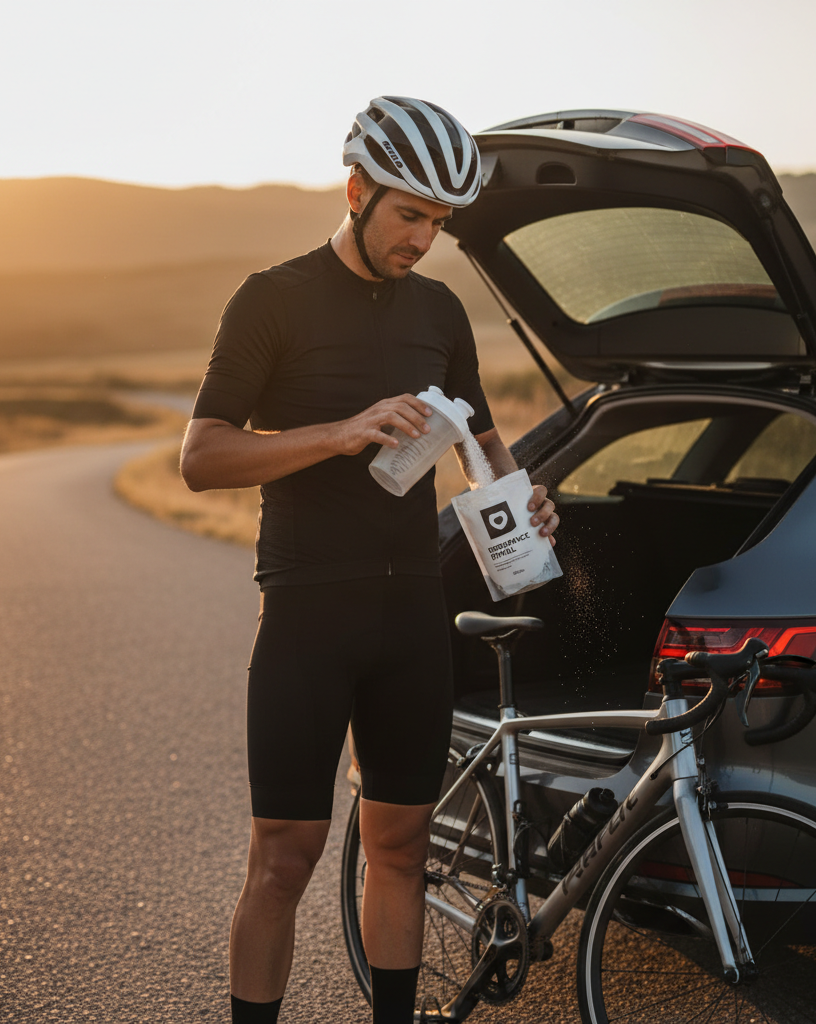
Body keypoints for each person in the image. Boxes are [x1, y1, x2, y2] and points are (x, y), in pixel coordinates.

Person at [180, 95, 559, 1024]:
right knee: (285, 858)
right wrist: (339, 432)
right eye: (409, 215)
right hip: (309, 611)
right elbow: (203, 457)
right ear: (356, 190)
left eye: (439, 222)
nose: (424, 239)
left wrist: (524, 494)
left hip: (409, 616)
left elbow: (482, 441)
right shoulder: (272, 298)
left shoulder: (439, 310)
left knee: (401, 847)